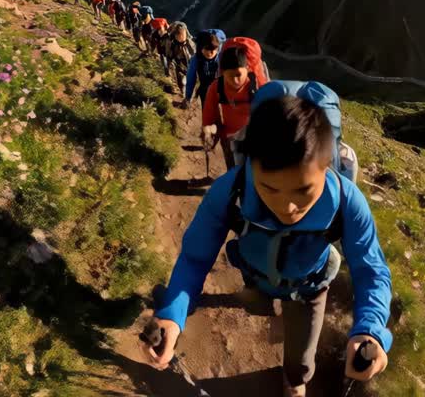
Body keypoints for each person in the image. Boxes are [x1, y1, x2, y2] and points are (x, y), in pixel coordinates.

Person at [145, 86, 393, 395]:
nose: (287, 207)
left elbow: (371, 271)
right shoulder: (228, 191)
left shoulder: (347, 201)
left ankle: (295, 380)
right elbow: (196, 257)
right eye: (270, 188)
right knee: (272, 315)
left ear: (328, 166)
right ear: (250, 165)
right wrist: (173, 315)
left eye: (303, 191)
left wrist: (371, 330)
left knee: (301, 360)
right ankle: (286, 344)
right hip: (264, 279)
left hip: (307, 287)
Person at [201, 43, 266, 172]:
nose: (235, 81)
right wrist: (208, 132)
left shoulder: (257, 86)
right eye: (231, 76)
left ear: (247, 69)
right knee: (234, 173)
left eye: (238, 75)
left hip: (256, 138)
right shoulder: (216, 87)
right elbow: (209, 116)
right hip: (229, 139)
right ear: (222, 72)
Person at [182, 29, 224, 109]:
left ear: (218, 49)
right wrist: (188, 97)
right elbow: (191, 79)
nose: (209, 53)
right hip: (204, 89)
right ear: (201, 48)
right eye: (206, 49)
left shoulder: (222, 58)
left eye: (212, 50)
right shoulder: (196, 59)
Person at [167, 22, 196, 96]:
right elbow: (169, 53)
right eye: (179, 36)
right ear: (176, 36)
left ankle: (188, 92)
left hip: (188, 61)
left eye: (183, 36)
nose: (181, 38)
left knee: (189, 77)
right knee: (179, 77)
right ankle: (183, 90)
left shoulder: (189, 42)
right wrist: (170, 60)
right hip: (178, 61)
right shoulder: (173, 43)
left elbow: (194, 51)